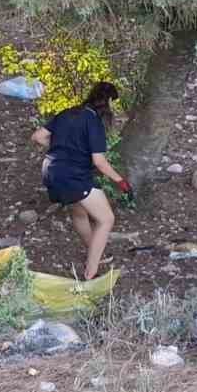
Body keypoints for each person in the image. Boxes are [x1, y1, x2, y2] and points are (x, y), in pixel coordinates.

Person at [31, 81, 132, 284]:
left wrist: (63, 148)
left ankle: (94, 251)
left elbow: (38, 136)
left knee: (79, 212)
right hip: (73, 176)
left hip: (51, 171)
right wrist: (121, 182)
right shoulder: (93, 121)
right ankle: (91, 274)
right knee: (106, 219)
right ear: (108, 102)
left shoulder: (67, 113)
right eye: (113, 104)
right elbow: (99, 162)